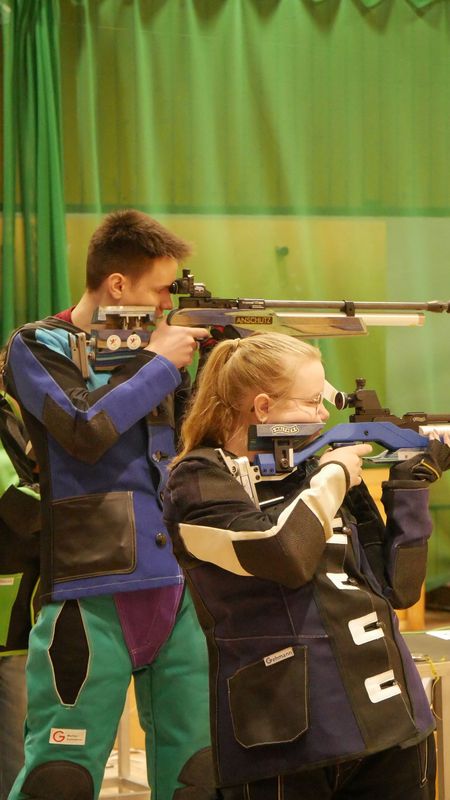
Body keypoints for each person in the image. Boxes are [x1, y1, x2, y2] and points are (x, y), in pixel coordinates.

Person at [164, 332, 450, 800]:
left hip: (391, 723)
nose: (322, 416)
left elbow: (397, 588)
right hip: (285, 735)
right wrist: (334, 474)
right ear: (262, 407)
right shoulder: (199, 479)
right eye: (312, 402)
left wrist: (411, 487)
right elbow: (283, 553)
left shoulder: (313, 468)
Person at [2, 209, 214, 800]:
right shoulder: (36, 344)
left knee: (197, 774)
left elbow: (196, 443)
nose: (168, 305)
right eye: (160, 290)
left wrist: (219, 367)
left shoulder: (154, 352)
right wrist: (159, 362)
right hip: (87, 591)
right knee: (60, 777)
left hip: (179, 586)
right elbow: (83, 428)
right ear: (117, 284)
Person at [0, 393, 40, 800]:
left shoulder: (10, 408)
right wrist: (79, 510)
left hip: (20, 600)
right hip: (8, 612)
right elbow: (16, 502)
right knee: (15, 745)